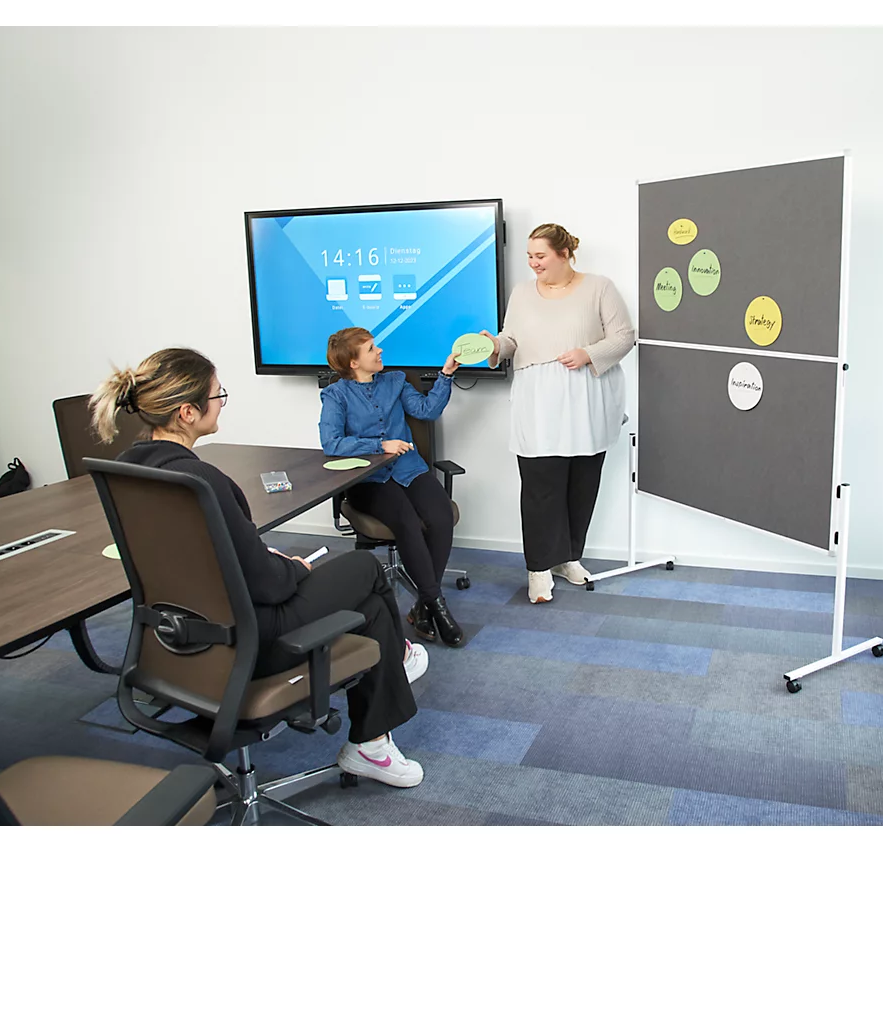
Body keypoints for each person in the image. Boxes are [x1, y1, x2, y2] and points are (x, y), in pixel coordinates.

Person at [89, 347, 426, 789]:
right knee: (364, 569)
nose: (222, 402)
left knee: (374, 610)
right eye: (217, 395)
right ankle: (382, 705)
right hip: (250, 638)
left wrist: (267, 560)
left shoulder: (128, 470)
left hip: (176, 637)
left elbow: (204, 555)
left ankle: (376, 735)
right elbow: (268, 585)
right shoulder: (201, 482)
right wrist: (296, 568)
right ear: (188, 412)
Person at [482, 223, 636, 603]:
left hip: (586, 397)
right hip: (538, 401)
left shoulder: (599, 287)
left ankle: (568, 558)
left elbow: (623, 336)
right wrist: (493, 346)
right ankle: (538, 569)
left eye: (540, 256)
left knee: (581, 484)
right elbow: (512, 339)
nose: (533, 263)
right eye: (529, 256)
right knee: (540, 485)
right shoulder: (521, 292)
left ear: (564, 254)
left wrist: (587, 353)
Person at [319, 328, 465, 647]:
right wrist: (379, 445)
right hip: (369, 479)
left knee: (440, 516)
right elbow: (331, 443)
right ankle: (438, 607)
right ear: (354, 363)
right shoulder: (336, 395)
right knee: (408, 523)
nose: (380, 351)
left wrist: (446, 375)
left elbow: (427, 411)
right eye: (371, 349)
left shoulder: (395, 381)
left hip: (408, 469)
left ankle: (423, 605)